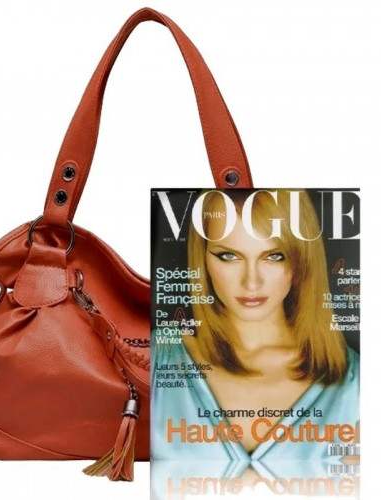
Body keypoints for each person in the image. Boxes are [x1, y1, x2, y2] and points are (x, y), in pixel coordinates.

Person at [151, 190, 359, 462]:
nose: (252, 282)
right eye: (229, 256)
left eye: (274, 256)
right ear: (202, 257)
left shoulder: (358, 383)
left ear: (301, 260)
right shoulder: (157, 355)